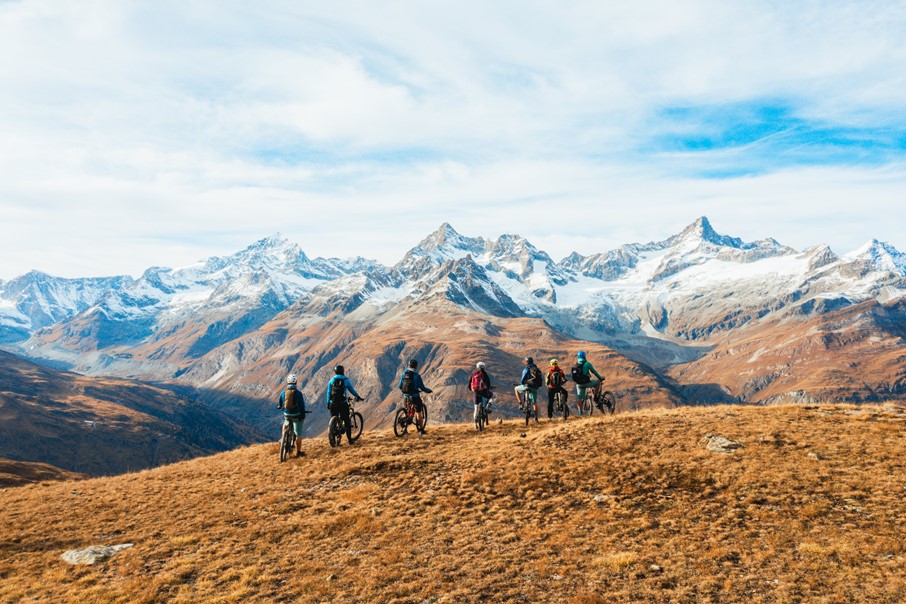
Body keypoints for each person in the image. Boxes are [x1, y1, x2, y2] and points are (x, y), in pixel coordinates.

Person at [325, 365, 363, 445]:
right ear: (343, 371)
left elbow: (328, 392)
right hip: (342, 403)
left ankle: (333, 440)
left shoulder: (331, 380)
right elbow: (352, 390)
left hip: (333, 403)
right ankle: (350, 440)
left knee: (333, 419)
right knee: (346, 421)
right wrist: (358, 397)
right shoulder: (346, 380)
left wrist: (328, 402)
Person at [397, 359, 433, 434]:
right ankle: (421, 430)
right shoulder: (417, 376)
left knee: (407, 411)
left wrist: (405, 392)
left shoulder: (404, 374)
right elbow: (422, 387)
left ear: (409, 365)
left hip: (406, 396)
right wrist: (428, 391)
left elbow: (400, 386)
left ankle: (404, 429)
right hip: (414, 397)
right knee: (418, 412)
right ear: (416, 366)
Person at [277, 373, 306, 457]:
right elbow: (302, 406)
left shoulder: (283, 392)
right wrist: (302, 415)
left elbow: (280, 403)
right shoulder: (299, 394)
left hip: (287, 414)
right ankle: (299, 452)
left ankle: (283, 437)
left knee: (285, 423)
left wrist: (281, 407)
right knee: (298, 434)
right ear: (296, 382)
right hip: (296, 415)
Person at [571, 351, 605, 415]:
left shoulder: (575, 365)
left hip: (579, 385)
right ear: (584, 356)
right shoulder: (587, 364)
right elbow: (594, 372)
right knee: (597, 383)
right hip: (587, 383)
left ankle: (580, 413)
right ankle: (595, 398)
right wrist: (600, 378)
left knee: (580, 399)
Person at [514, 356, 543, 422]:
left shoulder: (526, 369)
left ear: (527, 362)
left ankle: (520, 403)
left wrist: (522, 383)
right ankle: (536, 418)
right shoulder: (536, 369)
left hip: (527, 386)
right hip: (535, 387)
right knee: (534, 403)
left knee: (516, 389)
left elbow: (523, 379)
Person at [469, 361, 493, 429]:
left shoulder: (473, 374)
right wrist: (487, 389)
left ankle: (475, 424)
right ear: (483, 367)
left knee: (476, 408)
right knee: (491, 395)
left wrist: (473, 390)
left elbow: (469, 384)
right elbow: (488, 383)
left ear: (477, 367)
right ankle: (488, 407)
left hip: (476, 392)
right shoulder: (484, 373)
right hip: (483, 392)